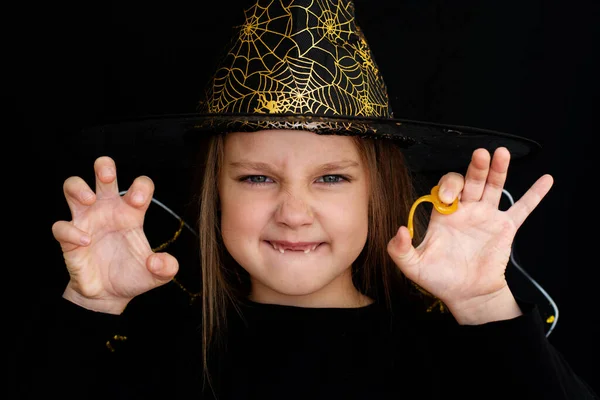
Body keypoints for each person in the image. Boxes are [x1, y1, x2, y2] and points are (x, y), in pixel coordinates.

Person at [20, 1, 597, 399]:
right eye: (256, 179)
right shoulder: (154, 349)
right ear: (212, 194)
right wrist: (89, 312)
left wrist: (484, 304)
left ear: (378, 193)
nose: (294, 211)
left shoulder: (451, 357)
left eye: (331, 179)